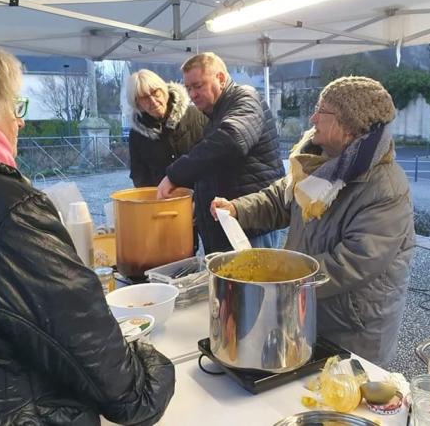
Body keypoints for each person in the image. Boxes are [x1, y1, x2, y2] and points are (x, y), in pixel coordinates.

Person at [0, 41, 175, 425]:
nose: (19, 121)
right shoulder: (5, 206)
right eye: (15, 107)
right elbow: (126, 391)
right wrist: (153, 364)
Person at [211, 76, 415, 365]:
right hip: (309, 304)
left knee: (347, 397)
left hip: (354, 326)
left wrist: (283, 279)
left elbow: (355, 262)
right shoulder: (317, 162)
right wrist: (237, 209)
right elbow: (280, 199)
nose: (313, 117)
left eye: (323, 111)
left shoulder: (384, 188)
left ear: (349, 126)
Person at [156, 52, 285, 254]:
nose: (192, 94)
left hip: (250, 228)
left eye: (198, 86)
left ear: (221, 79)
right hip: (227, 224)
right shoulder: (217, 112)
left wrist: (175, 175)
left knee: (254, 284)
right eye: (188, 88)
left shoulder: (246, 99)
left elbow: (231, 141)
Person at [127, 68, 206, 187]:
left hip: (201, 199)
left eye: (155, 92)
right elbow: (140, 175)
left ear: (164, 90)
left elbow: (211, 159)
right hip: (163, 201)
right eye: (144, 98)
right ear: (137, 104)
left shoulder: (196, 116)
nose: (153, 101)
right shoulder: (137, 134)